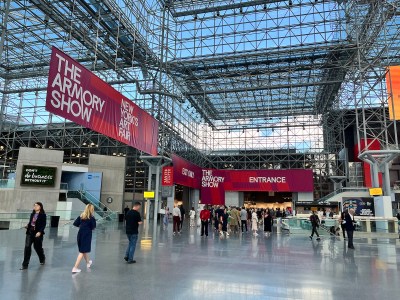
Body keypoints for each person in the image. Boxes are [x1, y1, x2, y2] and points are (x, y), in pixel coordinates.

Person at [20, 202, 47, 270]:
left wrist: (40, 232)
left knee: (37, 248)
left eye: (37, 205)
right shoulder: (32, 214)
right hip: (30, 232)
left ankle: (42, 258)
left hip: (37, 233)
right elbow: (31, 222)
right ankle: (25, 265)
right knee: (27, 247)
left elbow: (43, 225)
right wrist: (27, 226)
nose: (35, 207)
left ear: (40, 207)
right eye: (34, 205)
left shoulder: (43, 215)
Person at [72, 204, 96, 273]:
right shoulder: (91, 218)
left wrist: (82, 226)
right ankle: (75, 267)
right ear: (92, 210)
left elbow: (75, 224)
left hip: (80, 234)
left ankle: (88, 262)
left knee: (83, 250)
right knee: (82, 251)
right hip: (87, 235)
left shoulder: (81, 216)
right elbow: (93, 227)